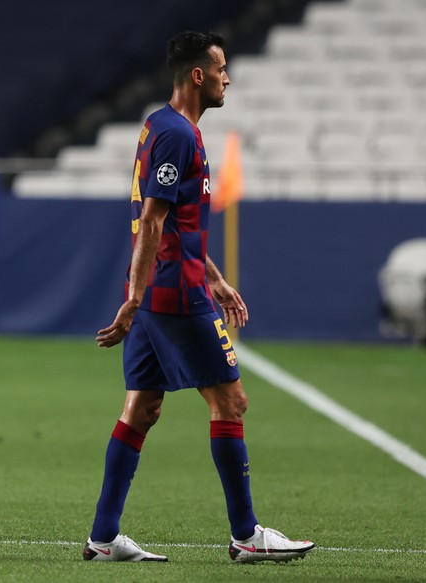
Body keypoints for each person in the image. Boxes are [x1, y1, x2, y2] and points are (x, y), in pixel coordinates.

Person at [82, 32, 314, 563]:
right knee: (230, 401)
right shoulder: (179, 136)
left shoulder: (159, 126)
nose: (227, 77)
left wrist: (212, 275)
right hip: (173, 297)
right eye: (221, 68)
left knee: (141, 408)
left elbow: (173, 223)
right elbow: (152, 221)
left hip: (168, 287)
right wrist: (139, 297)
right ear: (197, 75)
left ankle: (102, 536)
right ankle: (246, 535)